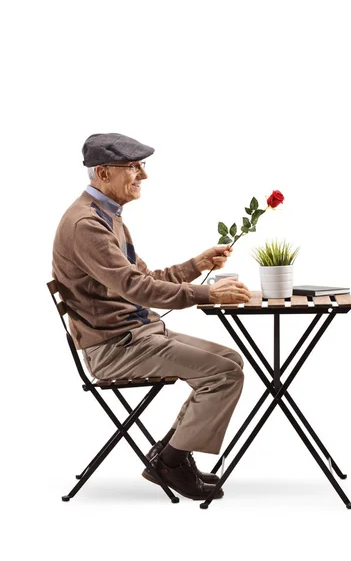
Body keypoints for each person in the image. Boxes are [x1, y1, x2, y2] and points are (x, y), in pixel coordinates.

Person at [52, 132, 252, 501]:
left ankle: (170, 454)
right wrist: (207, 293)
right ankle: (170, 462)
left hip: (137, 334)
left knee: (229, 360)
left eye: (141, 165)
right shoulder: (86, 225)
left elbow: (143, 280)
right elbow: (138, 289)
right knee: (224, 374)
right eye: (132, 166)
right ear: (103, 173)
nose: (142, 175)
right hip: (115, 347)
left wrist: (196, 265)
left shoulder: (107, 217)